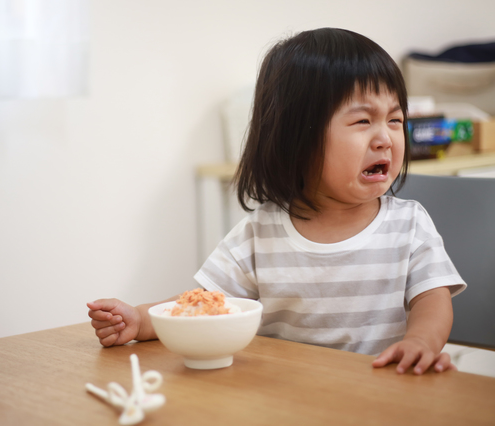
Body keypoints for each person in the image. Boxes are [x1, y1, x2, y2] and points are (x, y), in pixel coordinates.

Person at [87, 28, 466, 375]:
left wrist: (420, 342)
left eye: (396, 120)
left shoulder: (410, 225)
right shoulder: (260, 233)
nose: (385, 138)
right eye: (363, 122)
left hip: (379, 388)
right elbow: (204, 303)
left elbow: (432, 302)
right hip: (284, 396)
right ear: (298, 140)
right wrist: (141, 319)